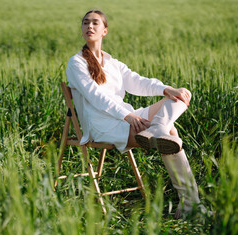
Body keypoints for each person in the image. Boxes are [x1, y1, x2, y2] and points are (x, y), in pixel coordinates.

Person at [66, 10, 203, 219]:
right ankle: (191, 205)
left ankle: (158, 129)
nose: (89, 27)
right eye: (85, 23)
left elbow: (139, 82)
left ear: (105, 31)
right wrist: (127, 116)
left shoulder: (113, 63)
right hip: (104, 125)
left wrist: (167, 89)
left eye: (95, 23)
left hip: (127, 117)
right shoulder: (76, 63)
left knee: (181, 96)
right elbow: (95, 96)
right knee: (170, 132)